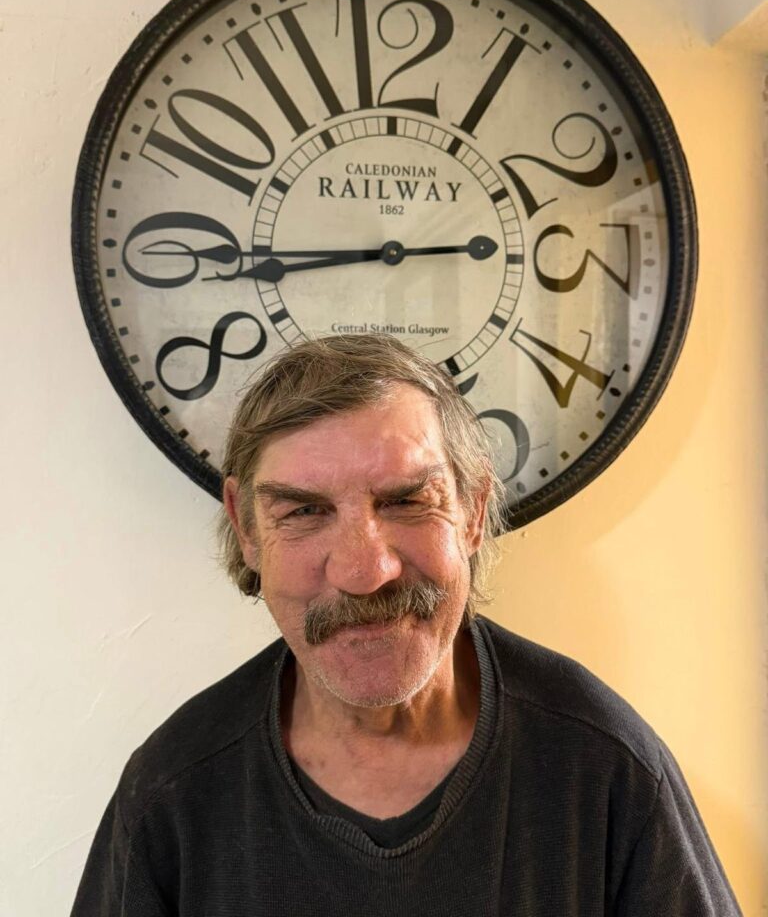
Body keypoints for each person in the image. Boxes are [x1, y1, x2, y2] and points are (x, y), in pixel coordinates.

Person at [71, 334, 742, 916]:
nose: (365, 572)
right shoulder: (172, 795)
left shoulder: (605, 767)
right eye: (303, 512)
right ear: (246, 529)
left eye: (407, 501)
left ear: (473, 511)